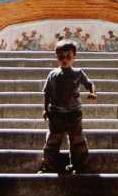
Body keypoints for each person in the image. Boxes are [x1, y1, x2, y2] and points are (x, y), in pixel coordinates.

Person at [38, 39, 97, 174]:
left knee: (77, 141)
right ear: (56, 57)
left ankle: (79, 165)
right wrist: (45, 109)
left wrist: (92, 92)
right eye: (61, 57)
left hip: (74, 113)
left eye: (68, 57)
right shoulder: (52, 74)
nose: (64, 60)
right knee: (52, 141)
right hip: (56, 114)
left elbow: (89, 84)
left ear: (74, 57)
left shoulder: (78, 73)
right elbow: (47, 93)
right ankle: (49, 165)